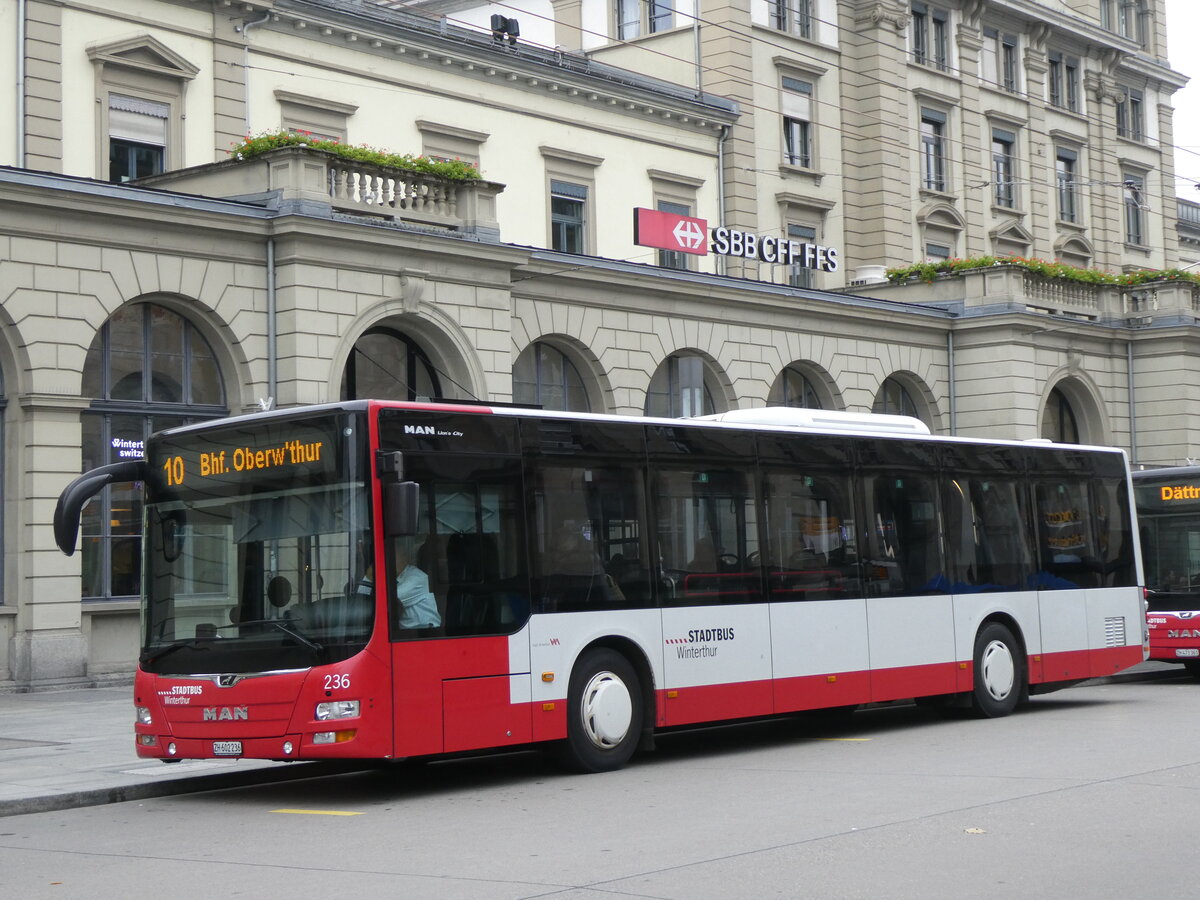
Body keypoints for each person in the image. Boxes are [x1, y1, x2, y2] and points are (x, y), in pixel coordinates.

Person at [393, 539, 441, 628]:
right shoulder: (392, 576)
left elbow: (388, 601)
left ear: (404, 558)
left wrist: (370, 575)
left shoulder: (416, 578)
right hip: (404, 632)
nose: (388, 561)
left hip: (425, 632)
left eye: (393, 557)